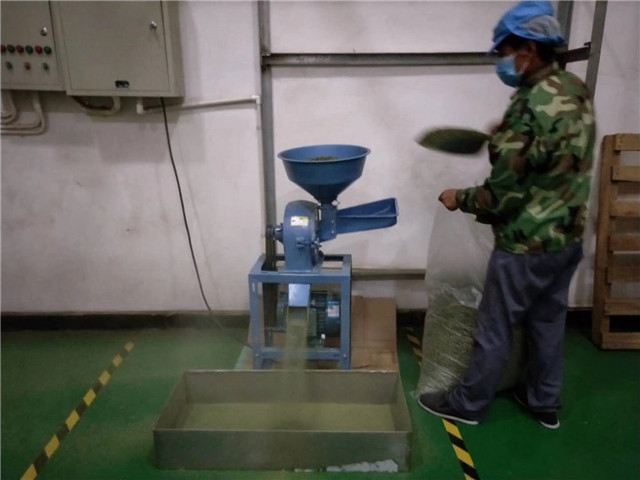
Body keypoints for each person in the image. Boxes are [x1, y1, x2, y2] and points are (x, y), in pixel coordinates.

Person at [418, 1, 596, 429]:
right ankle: (543, 402)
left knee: (494, 327)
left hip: (525, 244)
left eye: (504, 51)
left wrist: (459, 198)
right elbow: (554, 152)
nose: (501, 60)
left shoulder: (529, 105)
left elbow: (502, 195)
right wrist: (508, 137)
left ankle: (468, 405)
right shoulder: (573, 87)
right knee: (548, 323)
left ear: (528, 49)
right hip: (567, 238)